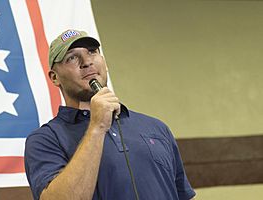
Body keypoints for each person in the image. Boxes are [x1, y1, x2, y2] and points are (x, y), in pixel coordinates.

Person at [24, 29, 196, 200]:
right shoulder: (45, 139)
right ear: (55, 78)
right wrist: (97, 126)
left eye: (92, 52)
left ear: (104, 63)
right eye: (72, 57)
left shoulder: (156, 127)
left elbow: (183, 195)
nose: (86, 62)